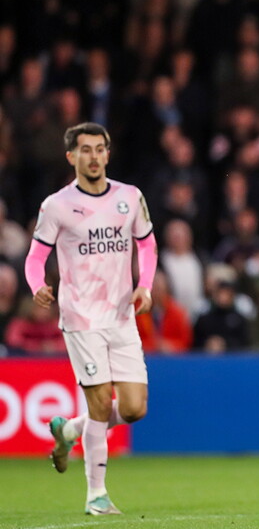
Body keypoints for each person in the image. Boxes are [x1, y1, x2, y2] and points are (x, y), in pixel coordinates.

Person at [23, 122, 157, 515]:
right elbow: (35, 258)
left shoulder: (129, 197)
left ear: (108, 154)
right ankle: (96, 496)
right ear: (72, 157)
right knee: (100, 403)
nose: (94, 156)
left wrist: (144, 285)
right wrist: (36, 286)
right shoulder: (56, 205)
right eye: (86, 150)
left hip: (121, 315)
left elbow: (146, 244)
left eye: (100, 149)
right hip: (81, 316)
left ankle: (69, 431)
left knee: (134, 408)